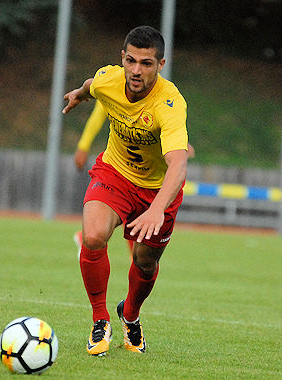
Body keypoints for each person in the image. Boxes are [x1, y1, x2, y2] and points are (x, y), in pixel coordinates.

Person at [62, 26, 188, 356]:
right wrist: (80, 92)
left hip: (158, 191)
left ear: (161, 64)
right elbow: (94, 86)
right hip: (115, 174)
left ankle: (130, 316)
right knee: (92, 236)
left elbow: (178, 165)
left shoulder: (170, 103)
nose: (136, 70)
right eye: (130, 60)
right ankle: (100, 320)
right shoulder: (110, 79)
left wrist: (158, 207)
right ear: (122, 58)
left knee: (145, 264)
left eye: (146, 63)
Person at [72, 102, 195, 261]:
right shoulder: (114, 84)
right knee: (127, 208)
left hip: (147, 165)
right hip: (122, 164)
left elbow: (161, 124)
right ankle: (91, 239)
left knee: (136, 214)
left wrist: (178, 144)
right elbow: (98, 112)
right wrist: (83, 146)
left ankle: (90, 239)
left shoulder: (160, 97)